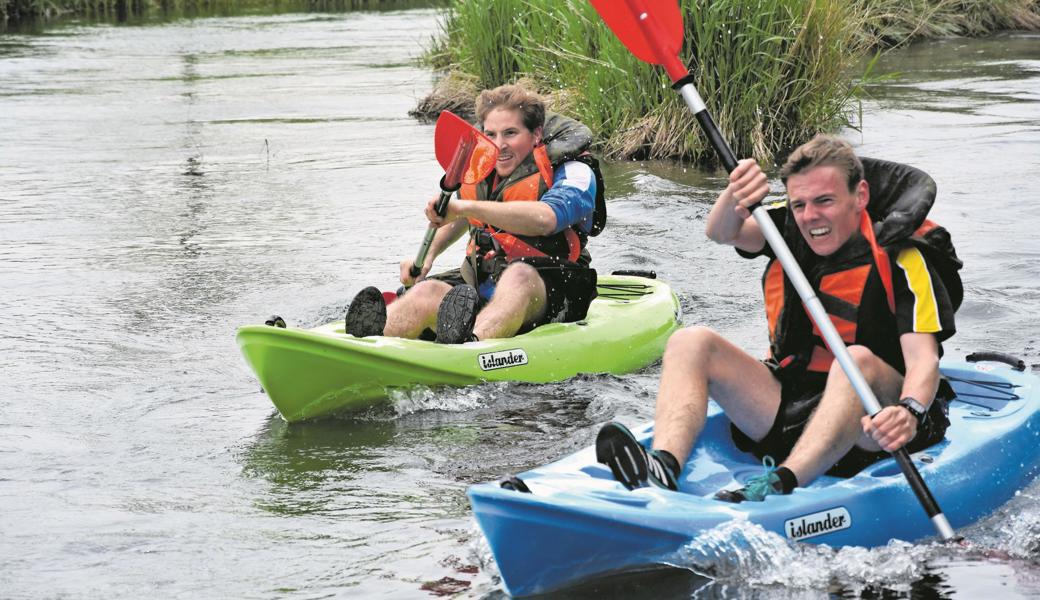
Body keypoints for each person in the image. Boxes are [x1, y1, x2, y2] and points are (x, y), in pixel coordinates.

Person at [596, 134, 958, 501]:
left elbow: (923, 360)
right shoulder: (787, 230)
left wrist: (910, 410)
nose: (810, 217)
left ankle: (780, 485)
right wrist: (736, 192)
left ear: (860, 196)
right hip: (796, 405)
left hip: (878, 424)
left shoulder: (903, 258)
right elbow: (722, 232)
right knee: (692, 342)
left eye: (825, 201)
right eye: (799, 204)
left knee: (856, 362)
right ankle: (663, 465)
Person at [344, 84, 604, 344]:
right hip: (485, 278)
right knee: (427, 291)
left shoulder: (575, 172)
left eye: (510, 133)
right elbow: (462, 217)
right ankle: (371, 343)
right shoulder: (483, 169)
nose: (499, 145)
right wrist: (427, 256)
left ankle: (472, 344)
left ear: (536, 134)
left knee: (519, 275)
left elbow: (547, 218)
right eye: (491, 134)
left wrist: (463, 209)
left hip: (557, 286)